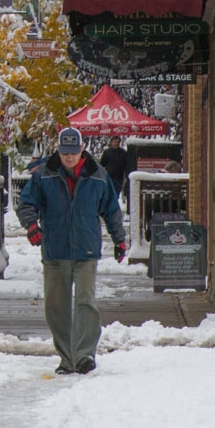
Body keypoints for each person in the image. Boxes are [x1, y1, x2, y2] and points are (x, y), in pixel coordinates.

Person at [16, 127, 127, 375]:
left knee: (86, 302)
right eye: (65, 152)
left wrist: (119, 240)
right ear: (58, 149)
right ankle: (67, 359)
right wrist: (31, 225)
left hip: (86, 249)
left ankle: (84, 355)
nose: (69, 157)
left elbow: (111, 210)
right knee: (57, 307)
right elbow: (26, 203)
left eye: (74, 152)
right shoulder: (44, 175)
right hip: (55, 249)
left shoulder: (98, 176)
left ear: (82, 149)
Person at [99, 136, 135, 205]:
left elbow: (126, 166)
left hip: (119, 178)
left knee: (116, 194)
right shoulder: (107, 152)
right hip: (108, 177)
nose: (116, 144)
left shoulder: (123, 153)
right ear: (111, 142)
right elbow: (101, 164)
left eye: (118, 142)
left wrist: (126, 176)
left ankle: (113, 207)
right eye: (115, 142)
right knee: (108, 194)